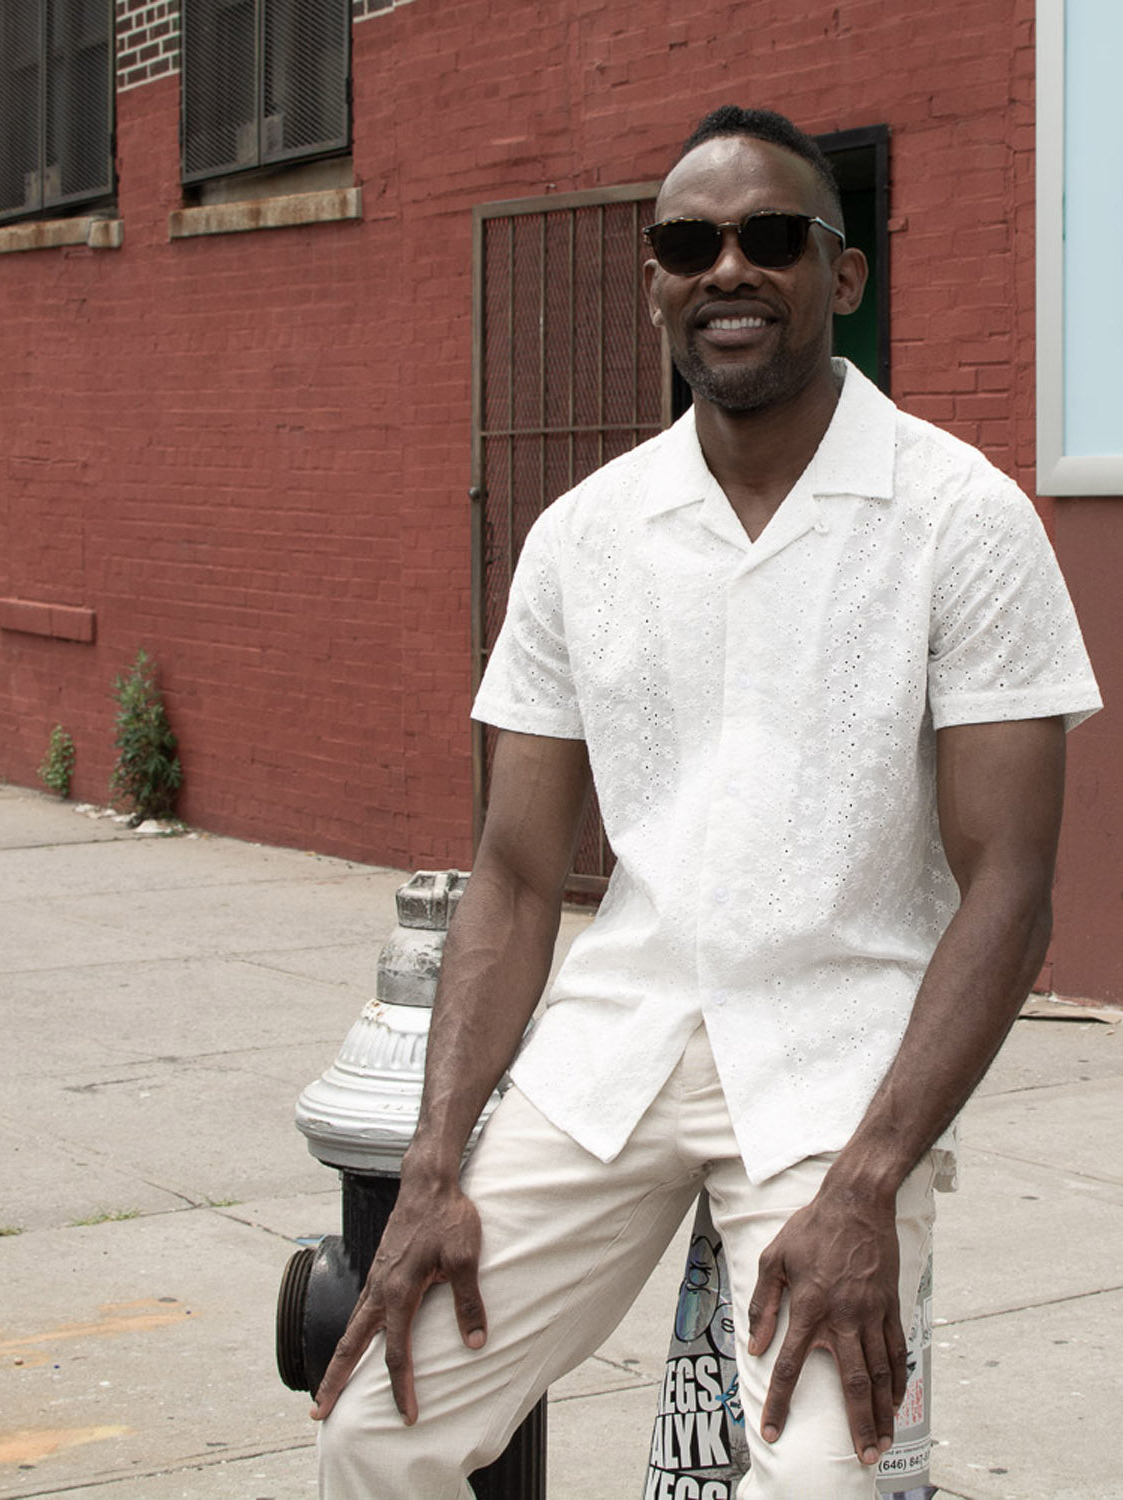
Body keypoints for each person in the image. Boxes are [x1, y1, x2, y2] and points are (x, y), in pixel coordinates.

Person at [312, 105, 1101, 1498]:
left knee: (819, 1479)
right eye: (689, 242)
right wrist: (433, 1165)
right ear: (655, 280)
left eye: (770, 237)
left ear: (840, 276)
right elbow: (507, 872)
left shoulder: (956, 516)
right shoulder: (584, 535)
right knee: (383, 1426)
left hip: (837, 1071)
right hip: (613, 1049)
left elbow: (1009, 889)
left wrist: (869, 1181)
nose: (726, 268)